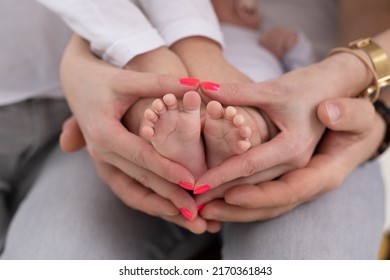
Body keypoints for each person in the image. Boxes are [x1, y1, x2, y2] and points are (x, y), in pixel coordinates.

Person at [1, 0, 388, 260]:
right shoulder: (174, 32)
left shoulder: (267, 37)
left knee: (254, 106)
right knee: (158, 102)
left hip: (296, 105)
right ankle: (179, 138)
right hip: (163, 76)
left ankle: (237, 133)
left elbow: (300, 68)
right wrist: (93, 56)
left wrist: (360, 87)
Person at [122, 0, 315, 191]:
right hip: (192, 94)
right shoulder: (172, 35)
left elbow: (301, 81)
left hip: (253, 89)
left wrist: (292, 43)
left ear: (246, 8)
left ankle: (230, 137)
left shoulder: (259, 39)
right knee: (171, 105)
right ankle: (187, 145)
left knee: (256, 112)